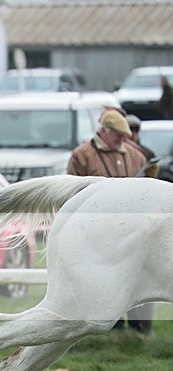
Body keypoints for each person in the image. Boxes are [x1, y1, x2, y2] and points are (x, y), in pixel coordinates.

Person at [67, 109, 153, 337]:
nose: (123, 141)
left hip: (132, 233)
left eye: (126, 137)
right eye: (118, 136)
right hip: (97, 234)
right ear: (104, 131)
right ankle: (107, 328)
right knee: (102, 281)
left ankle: (139, 329)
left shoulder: (137, 156)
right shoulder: (81, 155)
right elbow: (71, 195)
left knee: (136, 279)